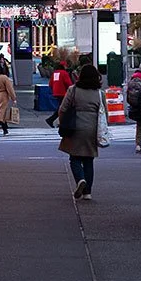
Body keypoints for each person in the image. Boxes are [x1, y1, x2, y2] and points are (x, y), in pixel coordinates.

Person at [56, 62, 104, 200]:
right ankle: (87, 192)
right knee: (89, 160)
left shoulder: (73, 89)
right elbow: (104, 114)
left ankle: (80, 180)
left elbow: (63, 109)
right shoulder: (100, 94)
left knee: (74, 158)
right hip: (92, 128)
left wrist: (62, 123)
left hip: (75, 126)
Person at [46, 55, 74, 128]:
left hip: (56, 92)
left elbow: (50, 83)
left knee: (61, 107)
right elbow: (68, 83)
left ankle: (56, 121)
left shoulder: (55, 73)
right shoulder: (64, 73)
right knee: (63, 108)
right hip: (63, 92)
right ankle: (52, 120)